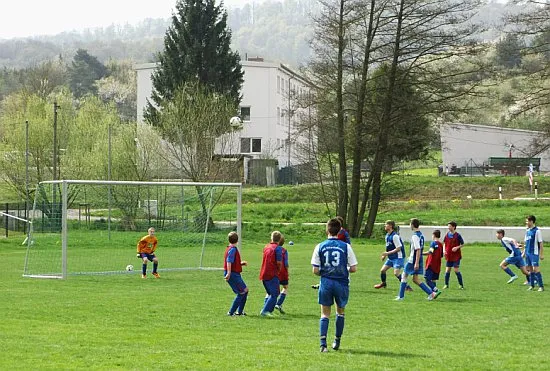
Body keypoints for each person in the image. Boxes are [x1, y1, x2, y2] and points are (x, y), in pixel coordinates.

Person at [311, 218, 358, 353]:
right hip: (341, 283)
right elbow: (354, 268)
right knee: (340, 312)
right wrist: (343, 269)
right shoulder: (346, 246)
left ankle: (323, 344)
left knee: (325, 314)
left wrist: (325, 271)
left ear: (327, 230)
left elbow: (315, 270)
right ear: (340, 230)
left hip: (326, 282)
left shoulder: (319, 246)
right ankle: (337, 340)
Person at [395, 218, 441, 301]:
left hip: (413, 260)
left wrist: (416, 263)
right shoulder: (421, 235)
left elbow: (418, 249)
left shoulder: (415, 236)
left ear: (412, 225)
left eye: (410, 224)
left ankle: (401, 296)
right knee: (415, 279)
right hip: (418, 259)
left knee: (404, 276)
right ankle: (431, 293)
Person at [374, 220, 412, 292]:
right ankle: (383, 283)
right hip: (391, 257)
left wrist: (387, 254)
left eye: (386, 224)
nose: (385, 226)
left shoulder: (395, 236)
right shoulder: (387, 236)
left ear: (390, 226)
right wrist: (385, 255)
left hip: (398, 257)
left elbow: (398, 248)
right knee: (383, 270)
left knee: (396, 273)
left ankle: (407, 287)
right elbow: (388, 247)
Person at [224, 232, 249, 316]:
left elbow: (232, 261)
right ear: (237, 240)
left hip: (234, 273)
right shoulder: (233, 249)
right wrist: (229, 273)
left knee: (245, 291)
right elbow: (229, 261)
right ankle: (231, 312)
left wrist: (240, 263)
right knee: (242, 292)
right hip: (233, 274)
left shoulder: (230, 248)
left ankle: (239, 312)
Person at [259, 231, 283, 316]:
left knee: (271, 293)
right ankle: (265, 311)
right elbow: (279, 262)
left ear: (271, 238)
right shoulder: (278, 248)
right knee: (275, 294)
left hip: (263, 272)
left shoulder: (266, 247)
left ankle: (268, 310)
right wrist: (279, 270)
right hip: (272, 273)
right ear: (280, 239)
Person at [524, 215, 544, 291]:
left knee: (536, 269)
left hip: (534, 253)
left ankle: (541, 286)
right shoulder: (527, 231)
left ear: (531, 221)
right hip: (528, 253)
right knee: (530, 270)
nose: (526, 222)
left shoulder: (537, 231)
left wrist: (541, 254)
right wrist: (524, 253)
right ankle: (532, 285)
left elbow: (541, 243)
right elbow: (526, 243)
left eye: (527, 221)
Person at [443, 221, 465, 289]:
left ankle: (461, 285)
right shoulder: (447, 235)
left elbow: (463, 244)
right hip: (449, 255)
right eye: (448, 226)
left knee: (456, 270)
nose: (448, 227)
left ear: (454, 227)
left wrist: (457, 247)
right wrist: (444, 250)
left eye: (449, 226)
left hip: (456, 256)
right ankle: (446, 285)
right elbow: (444, 243)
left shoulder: (458, 235)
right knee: (447, 270)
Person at [275, 234, 289, 314]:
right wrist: (287, 272)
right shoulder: (284, 251)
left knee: (271, 289)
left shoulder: (273, 249)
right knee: (285, 287)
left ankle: (265, 305)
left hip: (275, 271)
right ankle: (279, 303)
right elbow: (286, 263)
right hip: (283, 272)